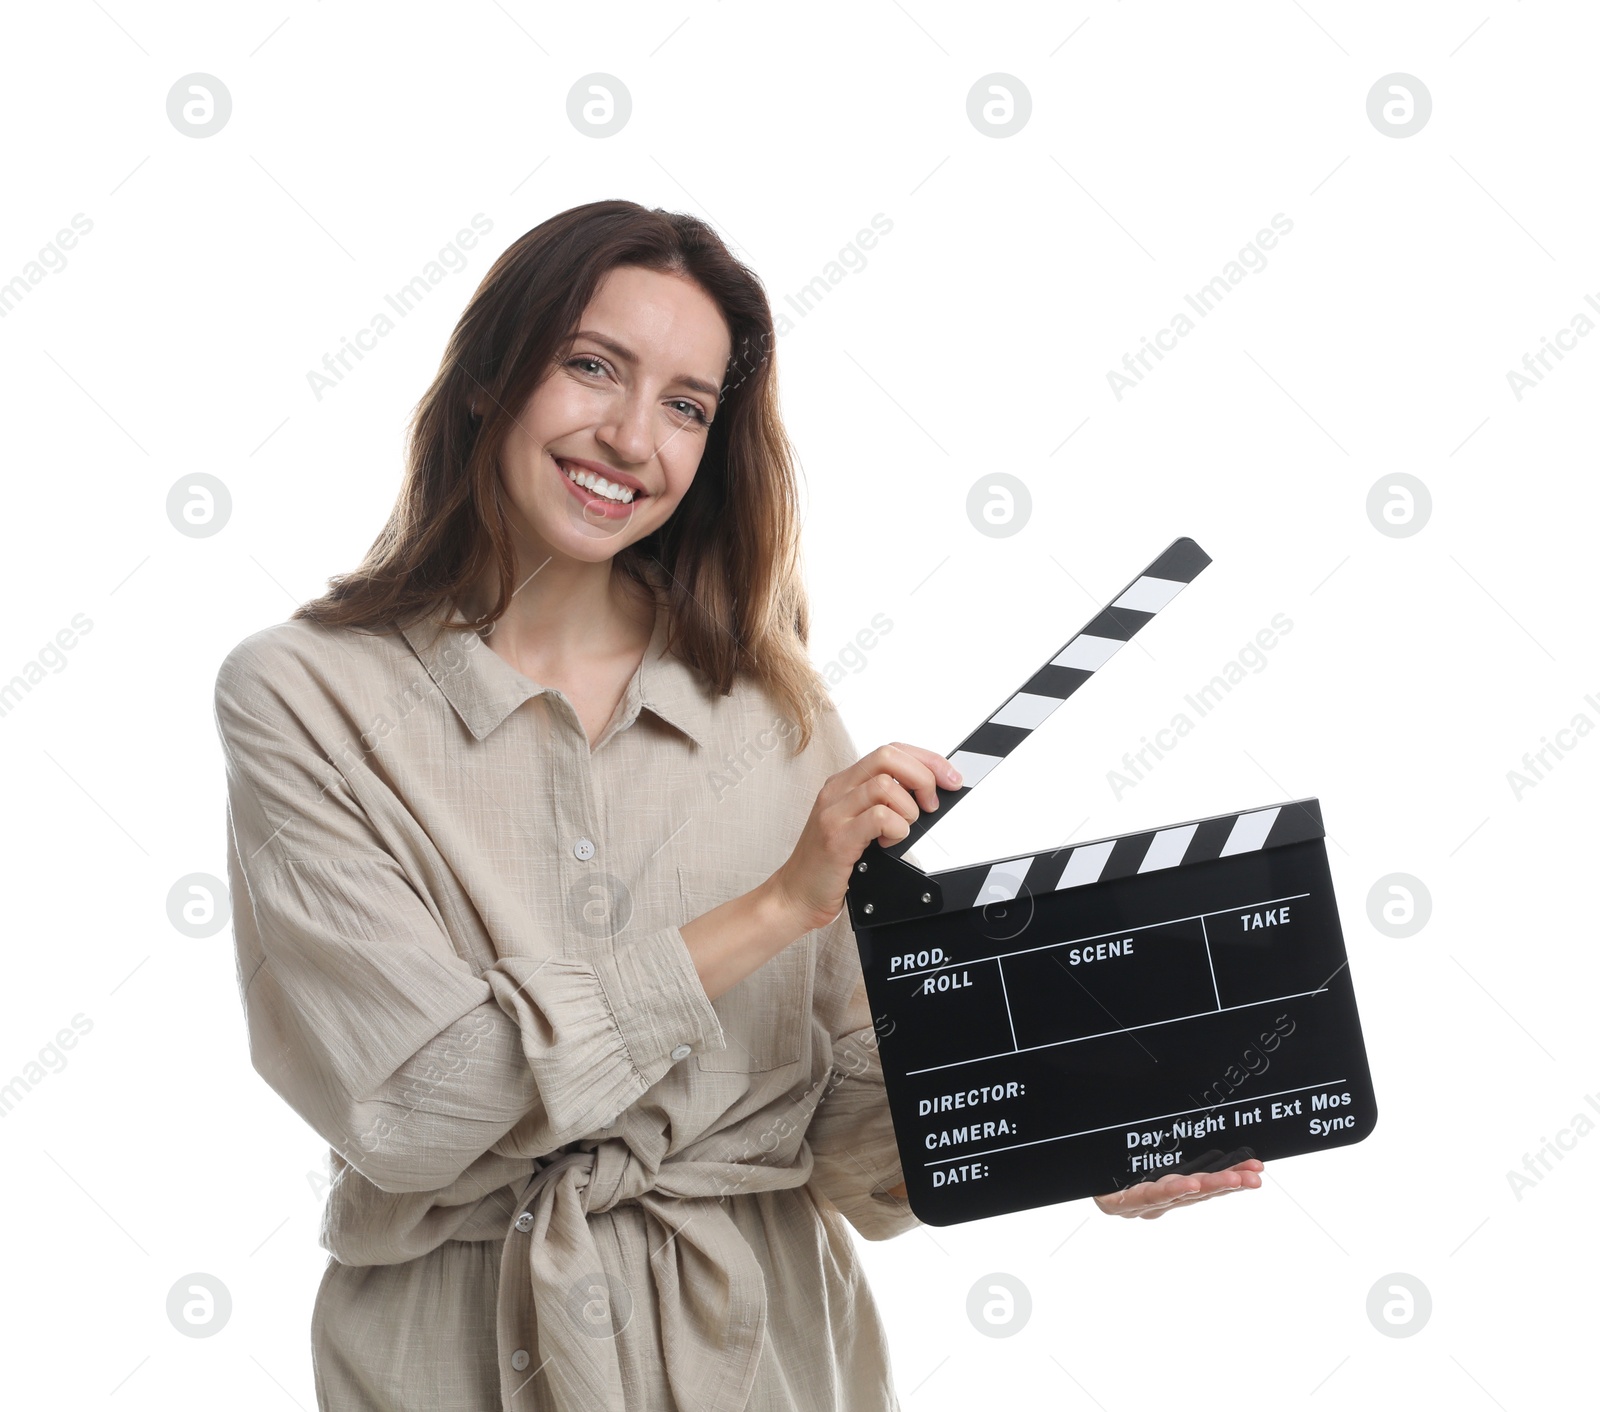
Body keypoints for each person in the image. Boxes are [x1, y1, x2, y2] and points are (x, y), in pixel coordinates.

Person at [212, 199, 1261, 1412]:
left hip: (761, 1359)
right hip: (449, 1357)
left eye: (686, 405)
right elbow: (414, 1106)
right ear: (492, 373)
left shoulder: (776, 711)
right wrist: (773, 905)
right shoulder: (302, 695)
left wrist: (1076, 1138)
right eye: (591, 365)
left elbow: (844, 1114)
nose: (628, 436)